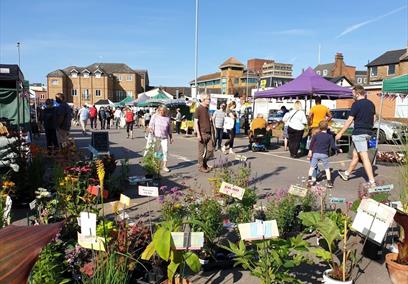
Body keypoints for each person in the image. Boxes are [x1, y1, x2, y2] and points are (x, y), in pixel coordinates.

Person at [335, 85, 376, 186]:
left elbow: (349, 120)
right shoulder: (371, 104)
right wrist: (369, 127)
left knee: (364, 157)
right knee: (355, 155)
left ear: (357, 94)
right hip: (368, 132)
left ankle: (372, 181)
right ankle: (346, 173)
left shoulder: (356, 104)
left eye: (353, 94)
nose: (352, 95)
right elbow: (374, 118)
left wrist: (340, 133)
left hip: (359, 133)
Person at [307, 120, 341, 188]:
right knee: (327, 169)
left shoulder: (316, 135)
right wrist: (339, 149)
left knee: (312, 167)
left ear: (319, 127)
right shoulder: (330, 136)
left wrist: (310, 152)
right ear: (327, 127)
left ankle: (309, 180)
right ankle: (329, 182)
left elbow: (311, 144)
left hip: (315, 153)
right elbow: (333, 146)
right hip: (324, 154)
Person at [148, 105, 173, 172]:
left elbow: (169, 129)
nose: (162, 112)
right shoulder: (155, 116)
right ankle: (156, 164)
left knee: (165, 150)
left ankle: (164, 166)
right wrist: (150, 129)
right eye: (161, 111)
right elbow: (151, 124)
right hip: (156, 137)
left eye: (164, 111)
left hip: (164, 137)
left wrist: (171, 137)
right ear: (158, 110)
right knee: (157, 151)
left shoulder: (167, 118)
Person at [194, 94, 214, 173]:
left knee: (210, 150)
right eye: (208, 99)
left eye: (209, 99)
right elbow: (195, 122)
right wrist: (198, 134)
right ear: (203, 99)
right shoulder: (198, 109)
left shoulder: (207, 108)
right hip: (202, 133)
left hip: (209, 133)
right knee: (201, 152)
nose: (209, 100)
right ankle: (200, 166)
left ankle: (204, 163)